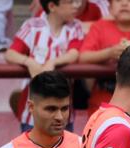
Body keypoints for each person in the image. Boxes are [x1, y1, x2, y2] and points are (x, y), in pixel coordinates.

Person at [6, 0, 85, 131]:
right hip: (32, 115)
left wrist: (53, 62)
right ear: (52, 6)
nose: (76, 6)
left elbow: (74, 54)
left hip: (64, 113)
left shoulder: (75, 27)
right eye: (70, 2)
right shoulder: (32, 26)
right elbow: (10, 54)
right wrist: (29, 62)